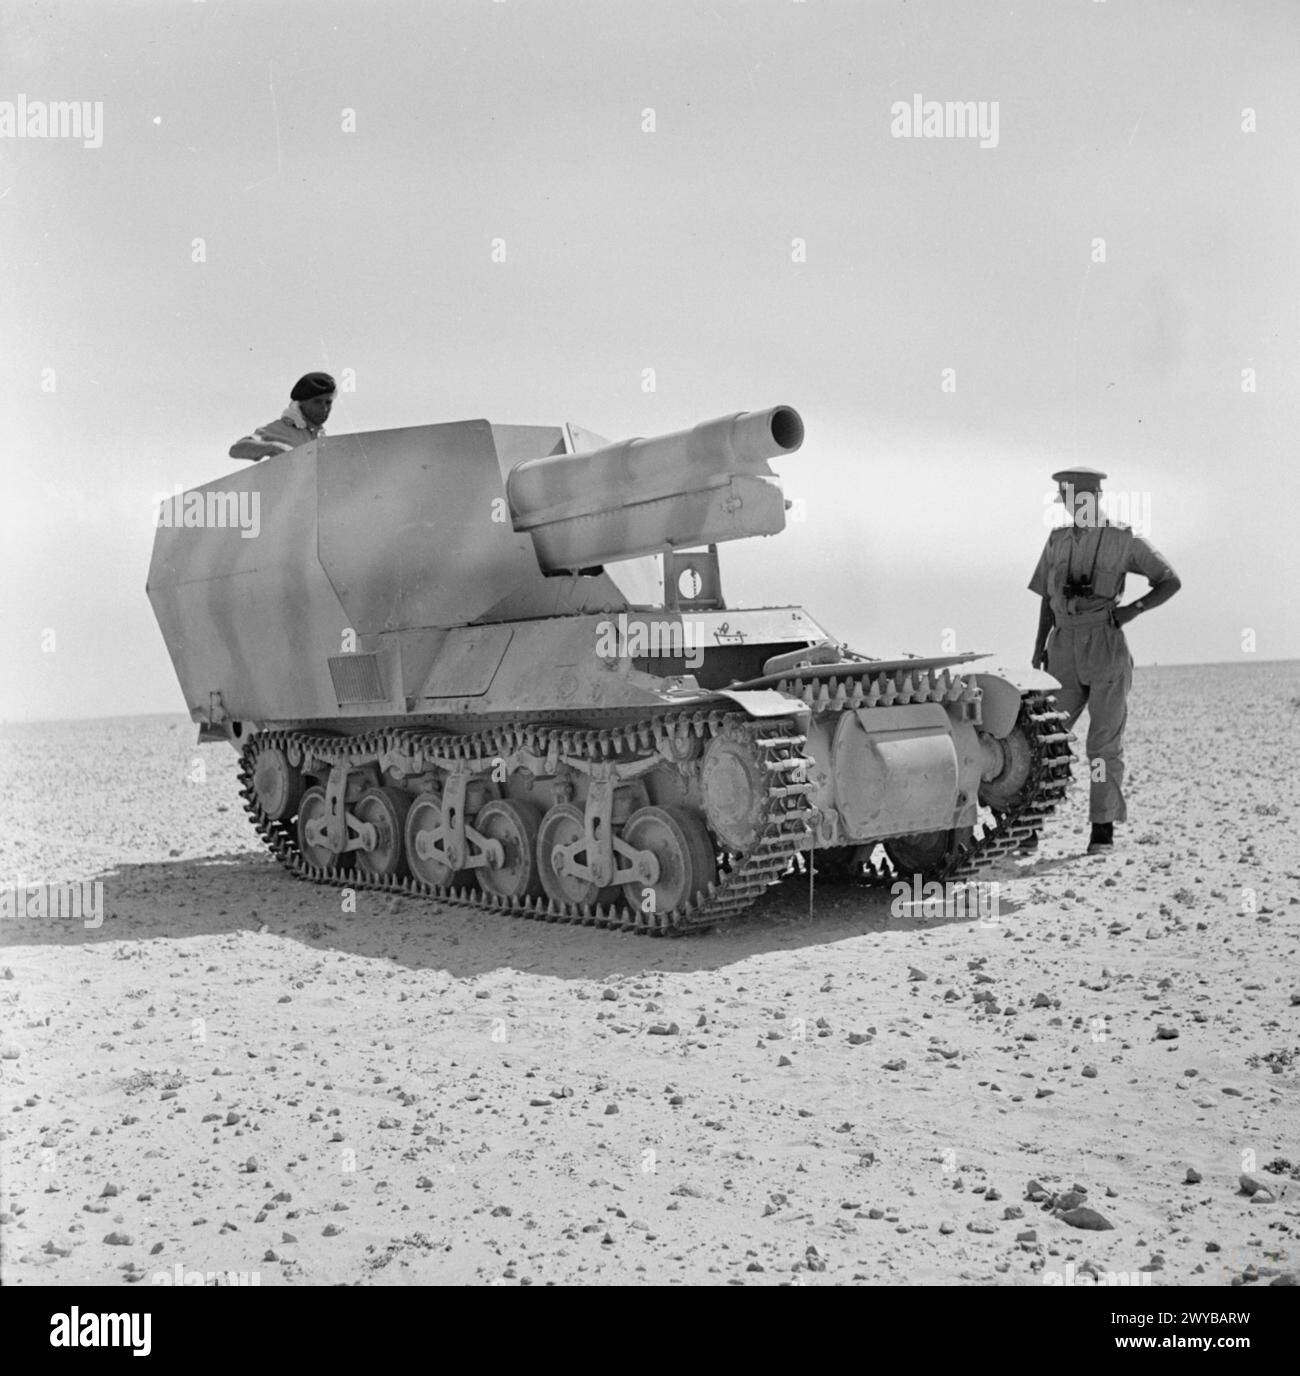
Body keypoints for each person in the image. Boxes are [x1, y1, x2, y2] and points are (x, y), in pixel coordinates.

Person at [1028, 467, 1181, 854]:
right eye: (1066, 499)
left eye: (1079, 498)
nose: (1072, 505)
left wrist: (1134, 610)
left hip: (1105, 645)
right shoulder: (1056, 540)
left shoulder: (1122, 539)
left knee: (1102, 745)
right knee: (1044, 740)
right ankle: (1026, 826)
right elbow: (1047, 598)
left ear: (1095, 498)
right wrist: (1039, 647)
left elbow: (1169, 580)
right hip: (1062, 645)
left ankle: (1102, 829)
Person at [229, 372, 336, 462]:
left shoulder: (321, 436)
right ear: (302, 402)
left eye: (328, 402)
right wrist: (273, 446)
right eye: (317, 402)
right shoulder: (282, 428)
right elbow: (236, 450)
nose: (324, 408)